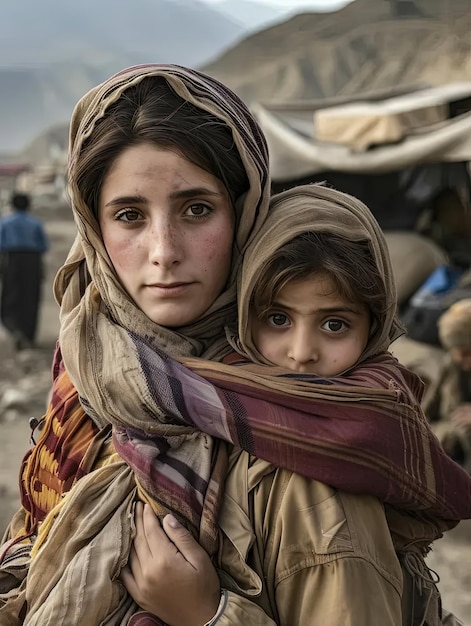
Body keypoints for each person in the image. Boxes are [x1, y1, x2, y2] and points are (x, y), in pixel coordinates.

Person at [0, 65, 469, 626]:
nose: (164, 250)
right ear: (93, 230)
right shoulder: (87, 372)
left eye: (197, 209)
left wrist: (211, 615)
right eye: (129, 215)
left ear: (245, 211)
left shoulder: (310, 434)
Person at [424, 298, 471, 473]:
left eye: (468, 353)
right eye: (460, 353)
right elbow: (432, 400)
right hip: (449, 420)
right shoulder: (452, 361)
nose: (464, 360)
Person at [0, 191, 49, 350]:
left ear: (12, 205)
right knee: (30, 297)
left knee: (10, 298)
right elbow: (43, 247)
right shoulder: (35, 223)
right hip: (32, 261)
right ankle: (29, 335)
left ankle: (15, 330)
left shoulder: (5, 222)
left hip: (12, 260)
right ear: (28, 205)